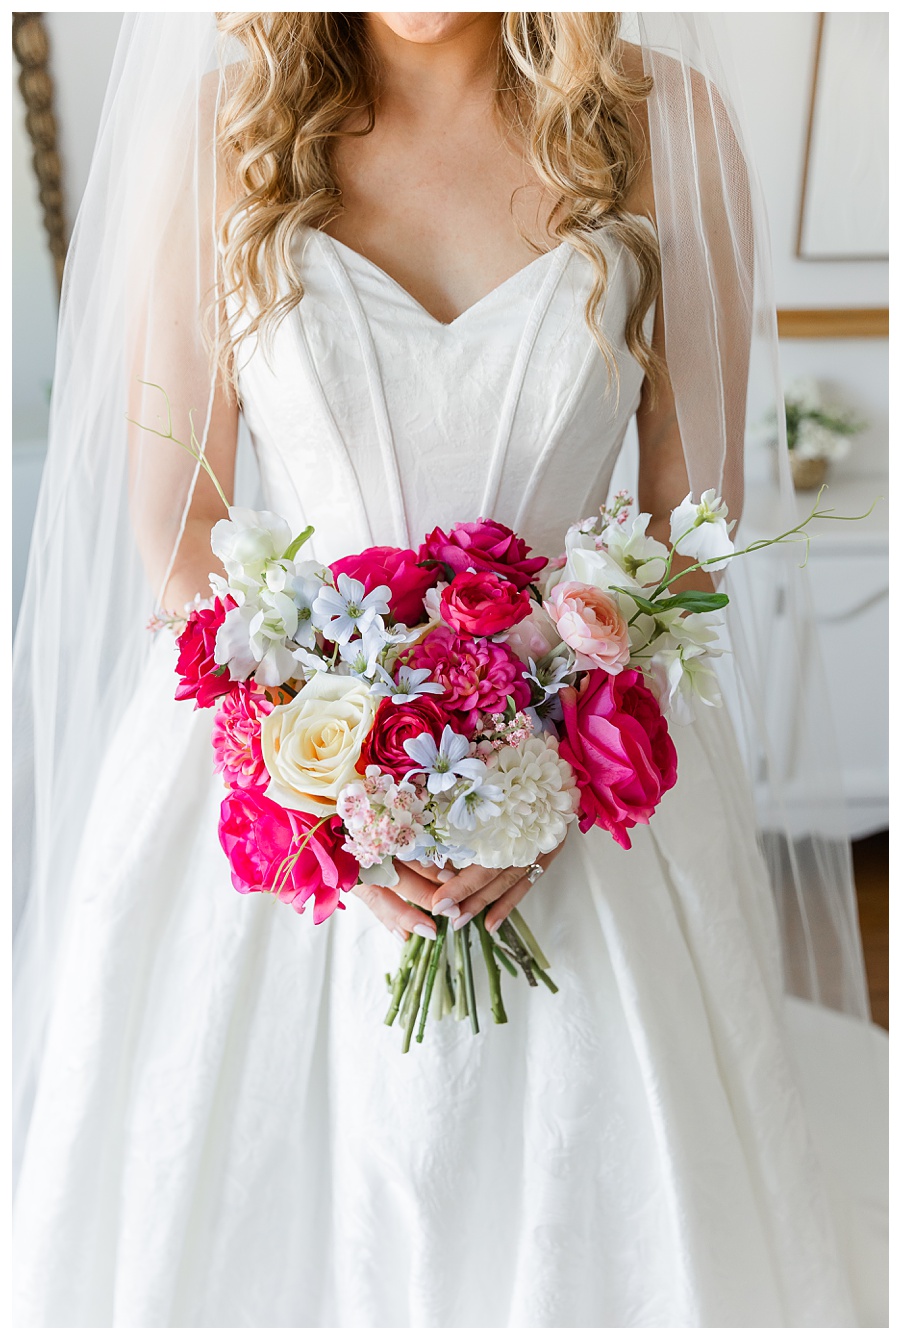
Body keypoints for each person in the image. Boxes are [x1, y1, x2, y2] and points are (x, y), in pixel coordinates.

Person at [12, 12, 886, 1327]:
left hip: (590, 771)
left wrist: (542, 775)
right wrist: (328, 780)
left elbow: (683, 513)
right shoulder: (219, 136)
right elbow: (177, 522)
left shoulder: (672, 128)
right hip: (283, 772)